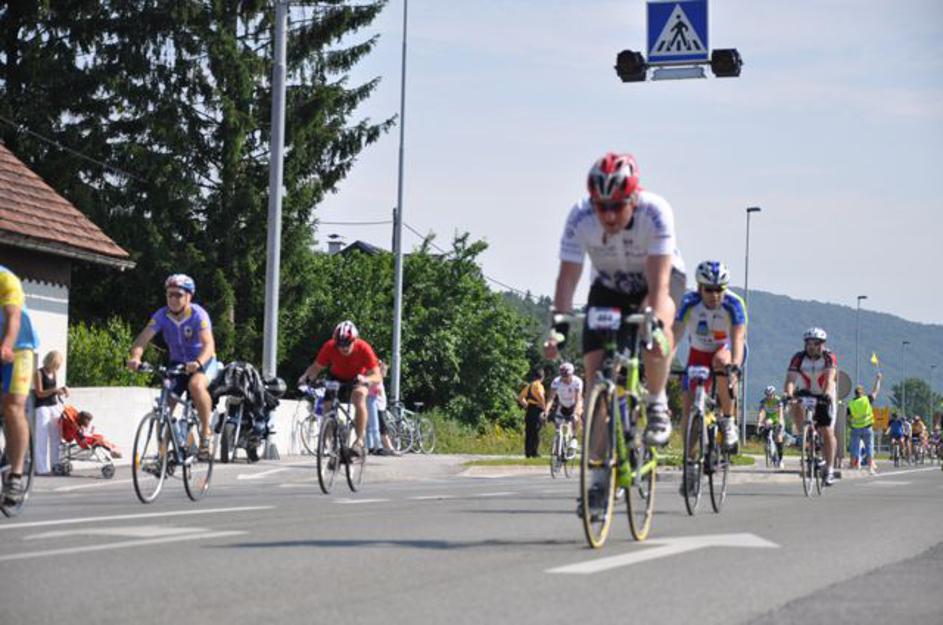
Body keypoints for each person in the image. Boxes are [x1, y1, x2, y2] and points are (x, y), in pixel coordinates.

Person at [545, 152, 686, 448]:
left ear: (633, 198)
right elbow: (567, 279)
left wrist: (653, 323)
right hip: (610, 285)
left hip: (657, 278)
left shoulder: (655, 212)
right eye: (602, 206)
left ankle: (657, 402)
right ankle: (597, 468)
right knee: (596, 373)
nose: (609, 215)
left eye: (617, 206)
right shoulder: (580, 216)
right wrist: (559, 328)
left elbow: (659, 284)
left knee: (653, 331)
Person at [127, 274, 219, 460]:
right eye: (170, 295)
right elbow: (142, 339)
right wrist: (136, 357)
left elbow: (209, 345)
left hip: (203, 361)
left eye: (178, 295)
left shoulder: (198, 315)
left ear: (189, 296)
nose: (173, 299)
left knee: (196, 385)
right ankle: (163, 455)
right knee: (165, 405)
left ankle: (205, 432)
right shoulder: (162, 315)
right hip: (177, 364)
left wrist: (198, 363)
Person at [673, 260, 746, 455]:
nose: (715, 295)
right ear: (699, 287)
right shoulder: (688, 302)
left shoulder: (734, 304)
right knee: (688, 407)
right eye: (709, 290)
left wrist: (735, 366)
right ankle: (690, 458)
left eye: (719, 289)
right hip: (699, 352)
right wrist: (665, 362)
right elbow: (675, 335)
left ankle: (728, 421)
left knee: (722, 363)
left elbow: (738, 338)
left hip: (725, 349)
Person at [298, 321, 381, 459]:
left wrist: (366, 379)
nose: (343, 348)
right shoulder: (329, 346)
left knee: (359, 397)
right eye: (340, 344)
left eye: (347, 343)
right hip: (336, 376)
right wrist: (305, 378)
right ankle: (332, 443)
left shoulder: (363, 347)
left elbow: (377, 376)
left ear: (355, 340)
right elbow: (316, 367)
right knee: (327, 406)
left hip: (358, 377)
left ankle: (359, 441)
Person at [1, 265, 39, 505]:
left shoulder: (6, 280)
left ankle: (15, 475)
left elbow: (13, 318)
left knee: (13, 406)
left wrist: (6, 346)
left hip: (19, 349)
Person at [783, 327, 839, 486]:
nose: (811, 347)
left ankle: (829, 469)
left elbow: (830, 379)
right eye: (808, 343)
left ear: (822, 344)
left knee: (827, 431)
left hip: (824, 393)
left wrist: (826, 395)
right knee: (794, 404)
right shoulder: (798, 358)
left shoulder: (828, 357)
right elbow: (790, 380)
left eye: (815, 343)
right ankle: (805, 435)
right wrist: (788, 394)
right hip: (806, 392)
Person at [33, 350, 69, 475]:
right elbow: (39, 393)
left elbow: (54, 389)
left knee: (56, 435)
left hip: (53, 405)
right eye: (56, 364)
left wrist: (63, 389)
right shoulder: (38, 373)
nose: (57, 367)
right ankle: (41, 468)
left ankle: (55, 464)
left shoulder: (54, 372)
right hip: (42, 406)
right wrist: (54, 390)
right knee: (42, 437)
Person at [846, 372, 882, 475]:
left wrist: (850, 424)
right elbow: (875, 391)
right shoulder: (867, 399)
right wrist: (878, 379)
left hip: (855, 429)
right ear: (862, 393)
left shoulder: (851, 404)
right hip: (867, 428)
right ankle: (870, 467)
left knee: (854, 448)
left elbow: (847, 417)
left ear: (855, 393)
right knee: (869, 447)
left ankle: (853, 465)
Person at [543, 362, 583, 453]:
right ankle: (559, 446)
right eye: (562, 376)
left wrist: (575, 413)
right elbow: (551, 398)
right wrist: (546, 411)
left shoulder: (577, 382)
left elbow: (578, 400)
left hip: (574, 404)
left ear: (571, 374)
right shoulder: (556, 382)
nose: (564, 378)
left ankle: (574, 438)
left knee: (576, 418)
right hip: (562, 404)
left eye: (566, 376)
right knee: (558, 426)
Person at [518, 368, 546, 458]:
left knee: (528, 431)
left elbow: (520, 398)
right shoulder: (539, 385)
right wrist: (544, 407)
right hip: (537, 409)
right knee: (536, 431)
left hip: (530, 409)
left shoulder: (529, 386)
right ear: (542, 377)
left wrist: (526, 405)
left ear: (534, 377)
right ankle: (534, 452)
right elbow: (541, 396)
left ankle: (528, 452)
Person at [757, 385, 786, 469]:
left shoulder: (778, 400)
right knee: (765, 429)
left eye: (770, 395)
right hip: (769, 420)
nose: (769, 396)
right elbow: (761, 413)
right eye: (767, 395)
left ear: (774, 394)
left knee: (778, 438)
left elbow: (780, 412)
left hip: (778, 419)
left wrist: (780, 421)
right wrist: (759, 422)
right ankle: (769, 446)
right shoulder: (763, 401)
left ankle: (780, 460)